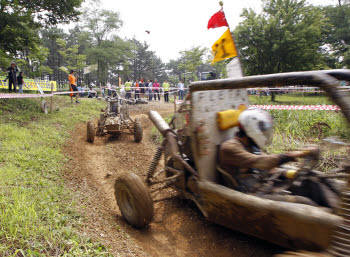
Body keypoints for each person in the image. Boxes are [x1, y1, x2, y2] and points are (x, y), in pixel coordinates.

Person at [218, 109, 336, 207]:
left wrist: (289, 173)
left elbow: (269, 167)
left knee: (312, 181)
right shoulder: (229, 148)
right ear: (251, 129)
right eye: (262, 131)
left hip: (265, 185)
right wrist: (297, 154)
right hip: (251, 195)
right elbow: (260, 162)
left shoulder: (251, 144)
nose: (264, 134)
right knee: (305, 203)